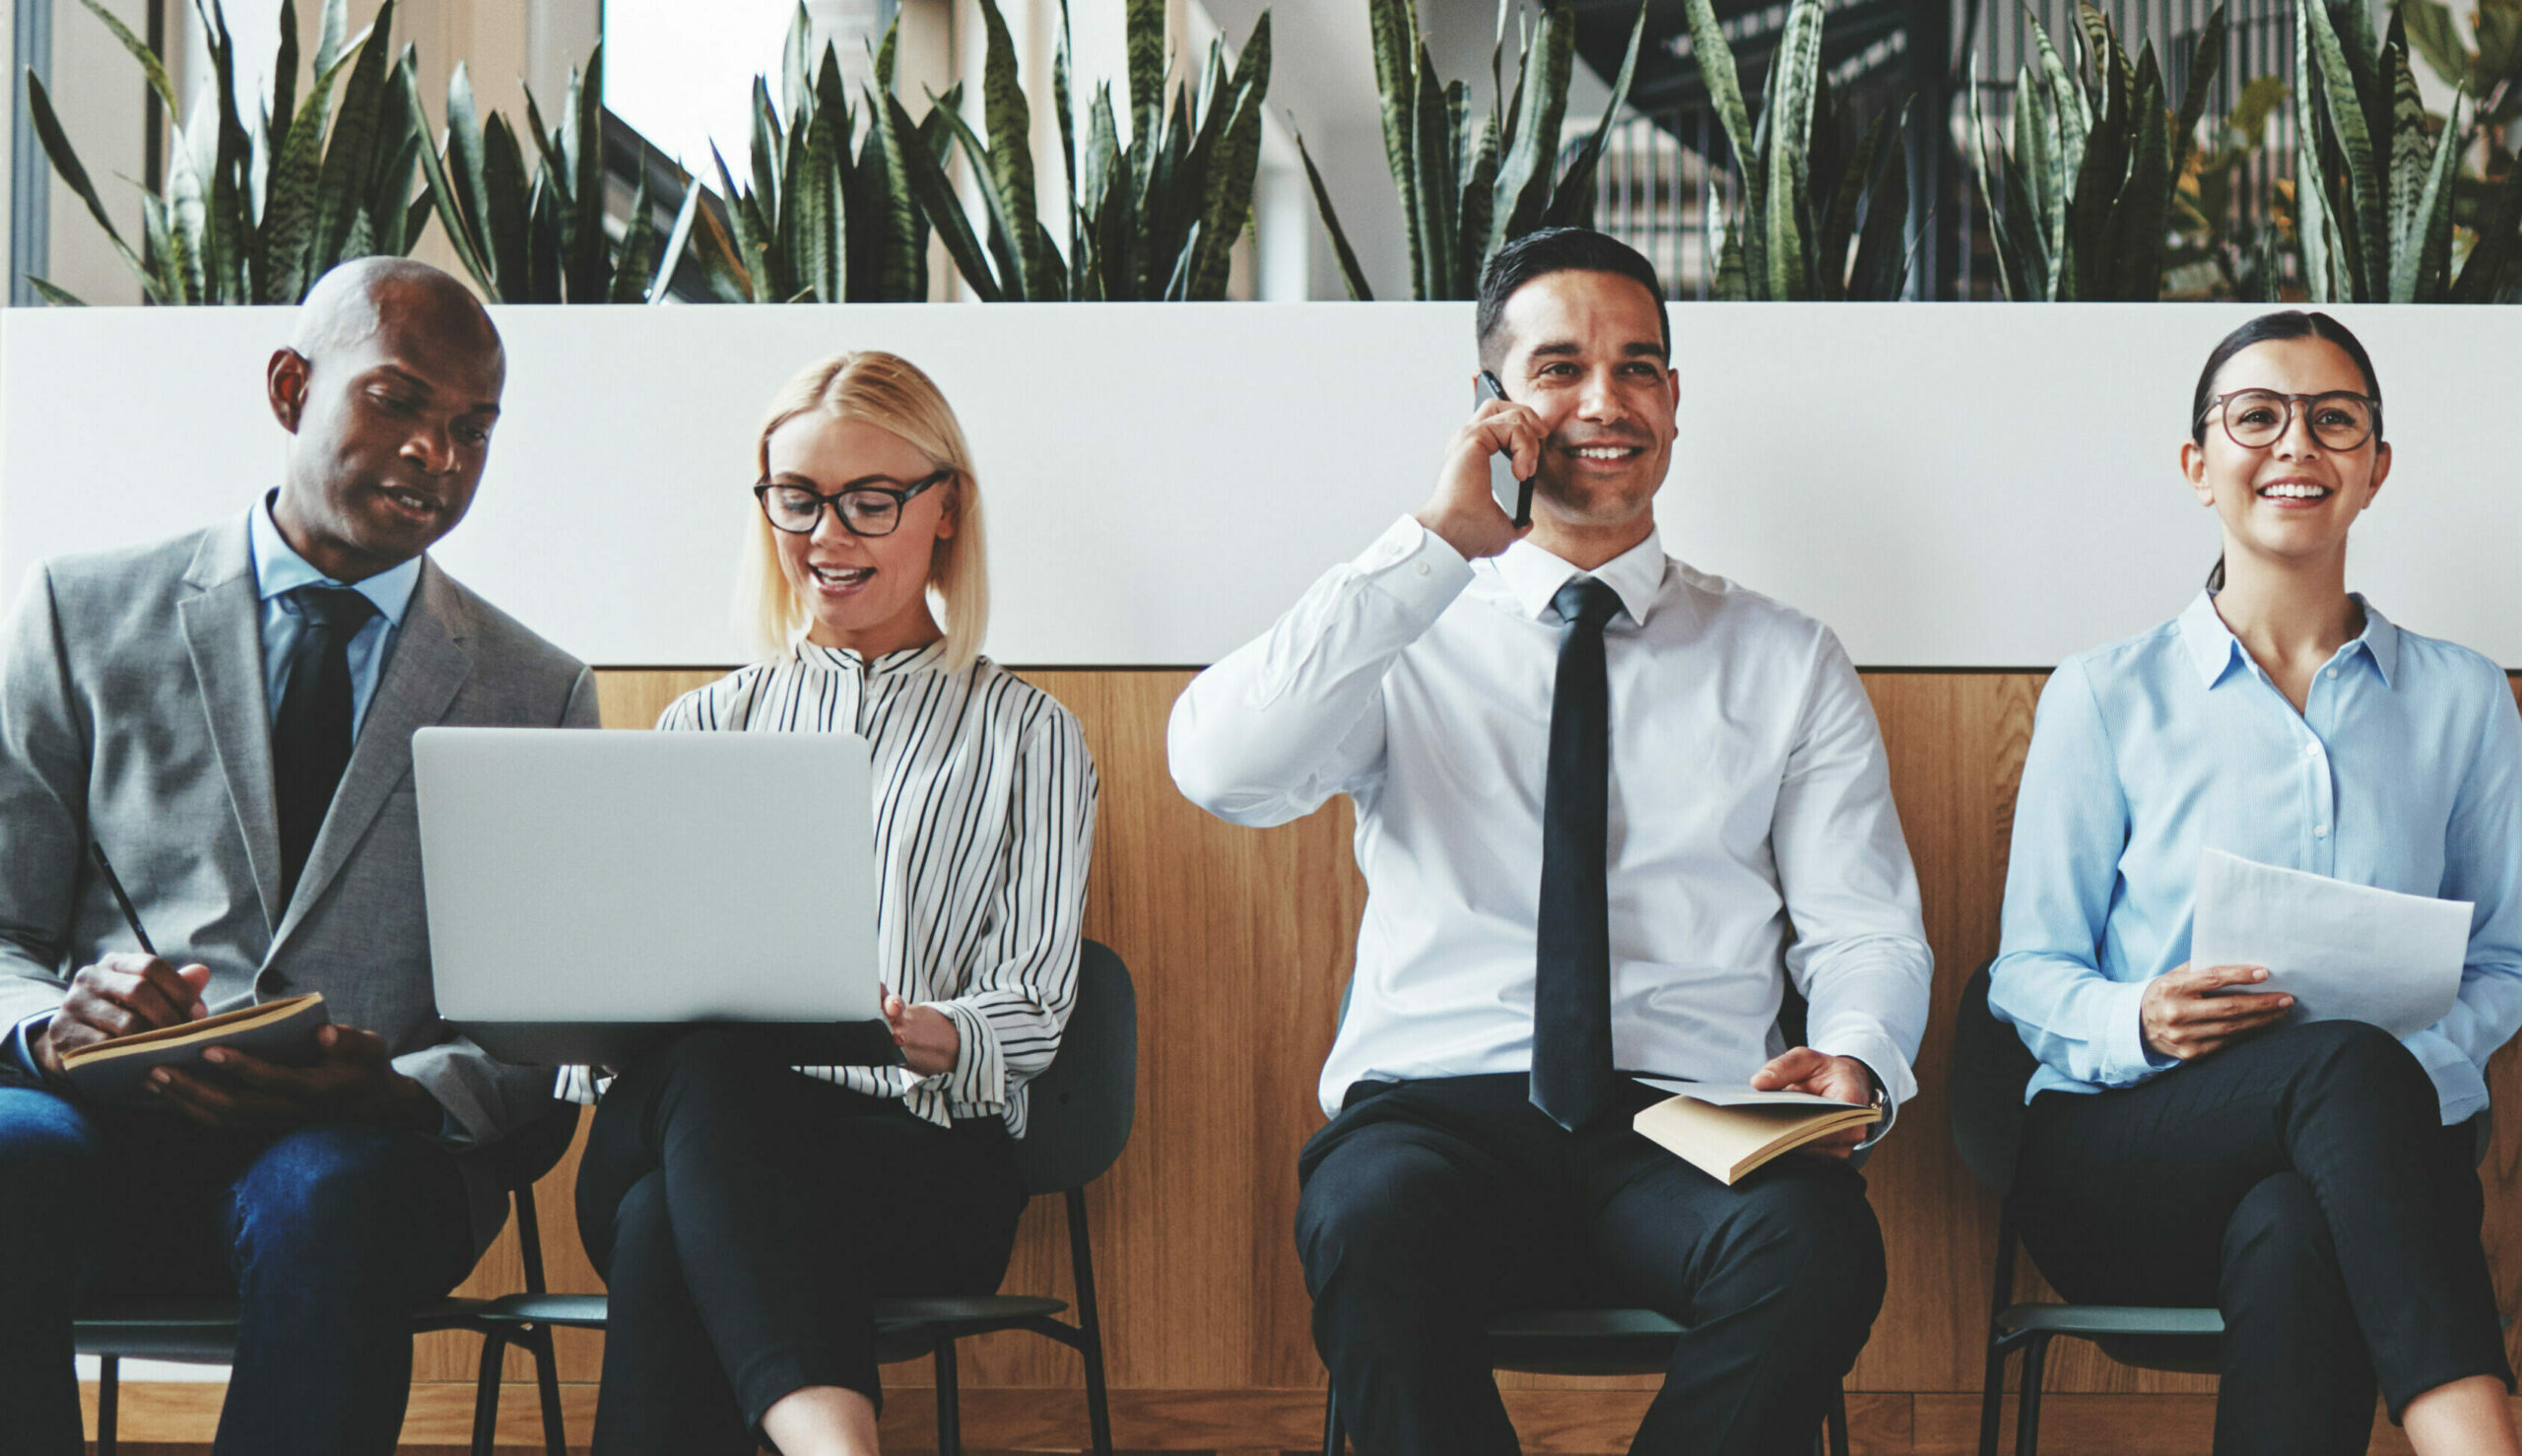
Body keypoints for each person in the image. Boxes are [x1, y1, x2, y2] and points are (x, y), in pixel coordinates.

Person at [1168, 228, 1932, 1456]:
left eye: (1637, 367)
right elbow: (1220, 766)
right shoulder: (1401, 625)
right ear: (1492, 404)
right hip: (1437, 1115)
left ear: (1674, 402)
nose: (1602, 402)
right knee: (1364, 1218)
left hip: (1693, 1119)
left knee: (1818, 1242)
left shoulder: (1785, 657)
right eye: (1559, 367)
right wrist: (1432, 543)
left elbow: (1864, 925)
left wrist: (1854, 1051)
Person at [0, 258, 596, 1456]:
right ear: (290, 388)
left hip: (366, 1167)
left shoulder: (539, 689)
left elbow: (539, 1047)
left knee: (329, 1188)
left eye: (472, 428)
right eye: (397, 402)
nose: (439, 454)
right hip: (100, 1133)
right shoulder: (79, 610)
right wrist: (50, 1021)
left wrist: (397, 1088)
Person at [1992, 310, 2522, 1456]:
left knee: (2298, 1212)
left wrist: (2407, 1063)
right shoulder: (2101, 693)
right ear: (2198, 465)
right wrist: (2137, 1013)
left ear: (2375, 469)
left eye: (2335, 421)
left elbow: (2505, 958)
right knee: (2341, 1082)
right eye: (2256, 417)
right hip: (2128, 1156)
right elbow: (2026, 970)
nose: (2296, 446)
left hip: (2355, 1167)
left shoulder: (2464, 698)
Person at [563, 350, 1095, 1456]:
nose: (826, 535)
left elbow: (1037, 1005)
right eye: (797, 499)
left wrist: (937, 1029)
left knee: (669, 1225)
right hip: (688, 1128)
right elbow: (603, 1045)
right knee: (713, 1066)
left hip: (911, 1162)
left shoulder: (1024, 732)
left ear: (945, 508)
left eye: (870, 500)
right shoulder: (700, 728)